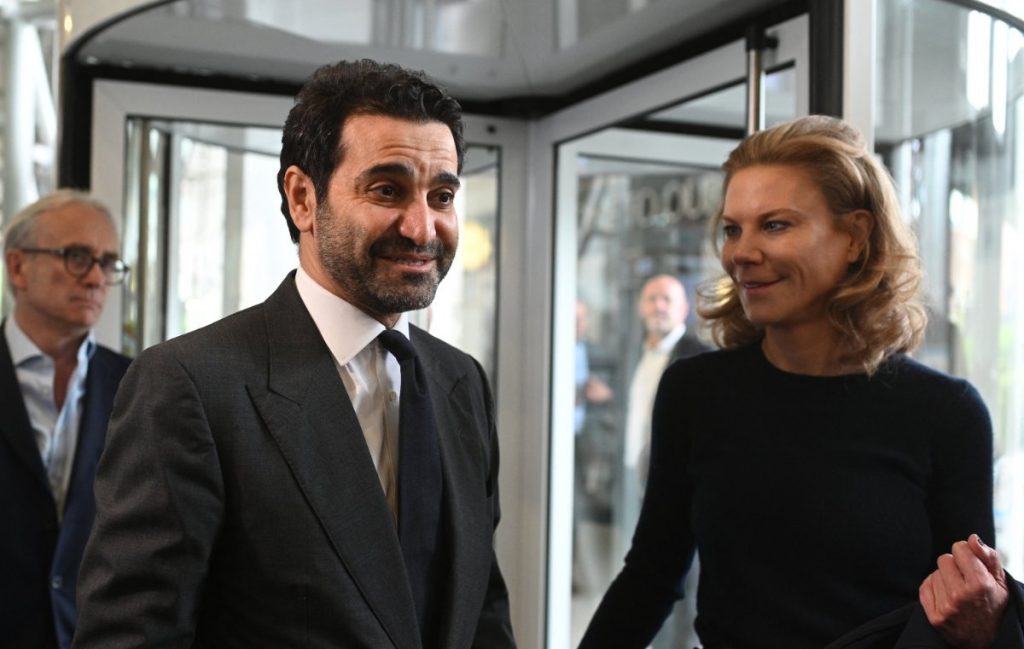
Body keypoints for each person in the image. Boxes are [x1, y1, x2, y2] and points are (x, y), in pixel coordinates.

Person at [73, 59, 516, 649]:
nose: (422, 227)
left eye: (441, 195)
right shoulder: (190, 386)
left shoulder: (461, 382)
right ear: (303, 198)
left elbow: (481, 612)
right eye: (387, 189)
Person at [578, 115, 1023, 649]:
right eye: (732, 228)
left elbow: (965, 610)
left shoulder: (945, 413)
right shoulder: (696, 393)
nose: (741, 252)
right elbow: (651, 574)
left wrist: (992, 620)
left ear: (856, 236)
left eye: (775, 225)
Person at [0, 190, 132, 649]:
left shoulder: (138, 385)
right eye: (76, 257)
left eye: (108, 262)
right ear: (18, 267)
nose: (96, 277)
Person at [619, 274, 708, 649]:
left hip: (678, 484)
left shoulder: (696, 359)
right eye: (653, 298)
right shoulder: (636, 353)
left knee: (677, 577)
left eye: (668, 300)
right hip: (637, 477)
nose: (659, 306)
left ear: (684, 308)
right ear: (641, 307)